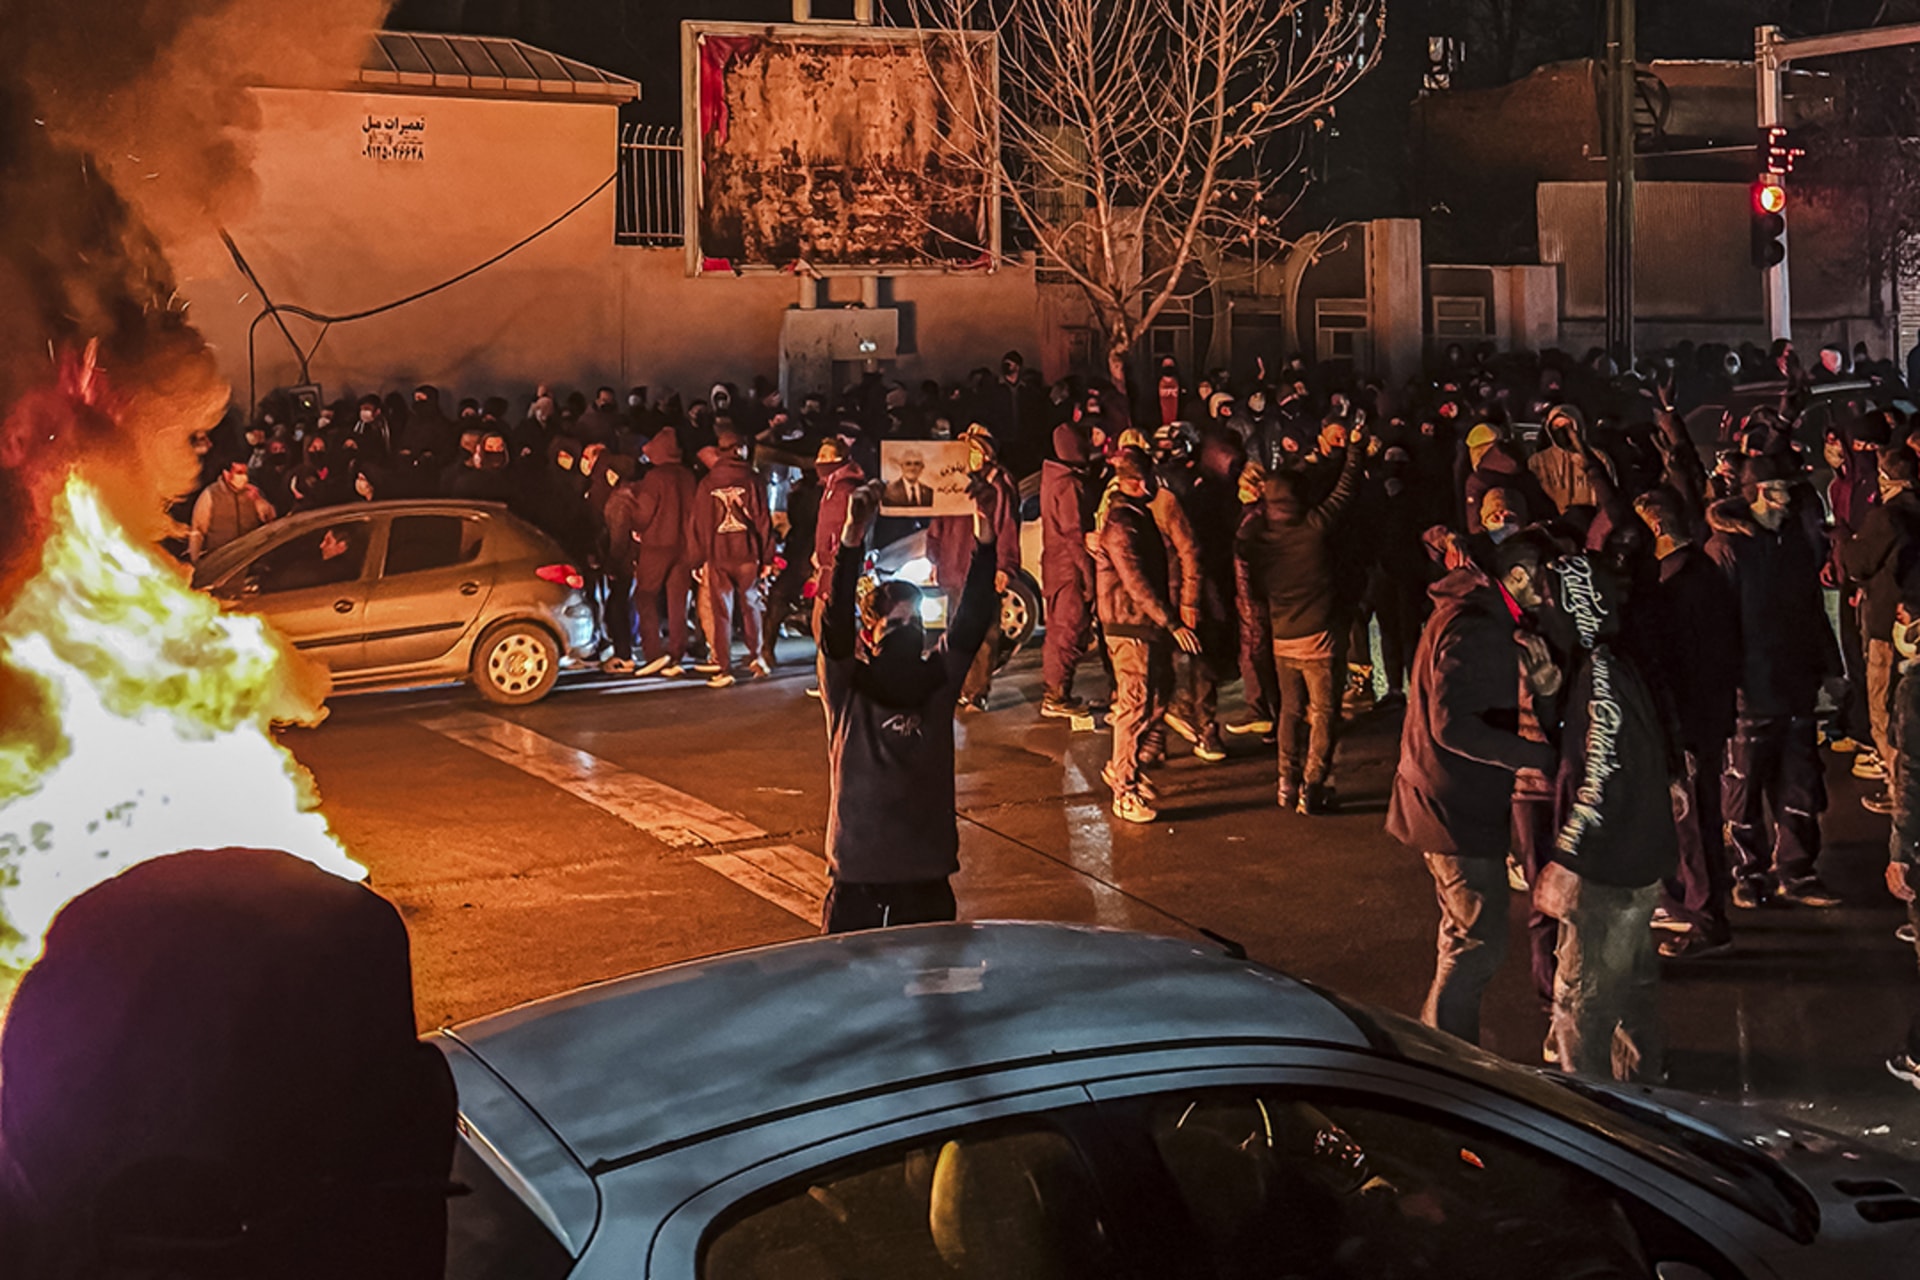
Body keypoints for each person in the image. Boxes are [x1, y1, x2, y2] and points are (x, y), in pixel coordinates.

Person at [1388, 529, 1561, 1046]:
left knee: (1463, 934)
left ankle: (1436, 1048)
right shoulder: (1479, 627)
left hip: (1441, 799)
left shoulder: (1469, 612)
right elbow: (1453, 726)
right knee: (1476, 942)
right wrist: (1538, 758)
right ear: (1518, 577)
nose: (1551, 591)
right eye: (1545, 578)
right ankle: (1446, 1059)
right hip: (1452, 807)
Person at [816, 480, 1000, 932]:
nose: (906, 630)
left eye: (914, 621)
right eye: (894, 623)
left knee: (935, 993)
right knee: (850, 993)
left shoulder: (937, 681)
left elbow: (973, 614)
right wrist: (852, 536)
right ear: (869, 636)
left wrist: (986, 529)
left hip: (925, 871)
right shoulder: (847, 686)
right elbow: (834, 622)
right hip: (858, 872)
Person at [1536, 552, 1679, 1081]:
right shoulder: (1613, 663)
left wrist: (1567, 858)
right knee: (1635, 987)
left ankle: (1590, 1117)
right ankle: (1642, 1094)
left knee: (1583, 1003)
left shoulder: (1599, 675)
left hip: (1605, 869)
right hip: (1637, 860)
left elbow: (1599, 771)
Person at [1707, 455, 1844, 908]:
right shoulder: (1728, 549)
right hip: (1751, 692)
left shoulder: (1793, 543)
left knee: (1802, 784)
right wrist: (1727, 687)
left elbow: (1809, 611)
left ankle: (1798, 871)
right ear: (1762, 492)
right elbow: (1718, 626)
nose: (1792, 501)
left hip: (1795, 686)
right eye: (1783, 490)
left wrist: (1830, 670)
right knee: (1743, 790)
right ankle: (1749, 872)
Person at [1632, 486, 1741, 961]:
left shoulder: (1681, 584)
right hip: (1700, 720)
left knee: (1695, 820)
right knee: (1690, 818)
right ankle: (1690, 901)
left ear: (1656, 528)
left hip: (1692, 724)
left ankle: (1705, 917)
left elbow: (1692, 664)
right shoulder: (1699, 573)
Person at [1235, 417, 1366, 813]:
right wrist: (1356, 450)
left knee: (1290, 712)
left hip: (1282, 637)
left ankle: (1285, 784)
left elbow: (1250, 577)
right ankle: (1313, 784)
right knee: (1324, 713)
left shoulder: (1258, 541)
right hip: (1320, 638)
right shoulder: (1313, 528)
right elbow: (1344, 491)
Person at [1096, 447, 1202, 823]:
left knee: (1154, 699)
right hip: (1131, 627)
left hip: (1142, 625)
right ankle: (1123, 789)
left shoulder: (1133, 517)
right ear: (1138, 482)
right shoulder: (1123, 524)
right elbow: (1135, 582)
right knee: (1135, 704)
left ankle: (1125, 769)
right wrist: (1171, 621)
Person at [1844, 446, 1920, 814]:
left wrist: (1845, 543)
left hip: (1889, 628)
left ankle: (1899, 793)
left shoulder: (1887, 518)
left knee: (1886, 713)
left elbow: (1858, 564)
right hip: (1912, 625)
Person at [925, 426, 1020, 711]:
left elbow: (1008, 526)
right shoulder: (951, 482)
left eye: (975, 451)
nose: (970, 456)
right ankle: (957, 685)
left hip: (981, 568)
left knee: (985, 632)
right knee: (955, 630)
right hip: (953, 566)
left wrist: (1006, 565)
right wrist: (934, 558)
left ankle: (977, 691)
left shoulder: (998, 484)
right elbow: (936, 523)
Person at [688, 425, 773, 688]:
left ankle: (723, 667)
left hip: (718, 555)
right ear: (741, 449)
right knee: (751, 606)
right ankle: (756, 656)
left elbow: (698, 524)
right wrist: (768, 556)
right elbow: (762, 521)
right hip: (747, 554)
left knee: (721, 611)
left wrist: (697, 558)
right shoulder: (753, 480)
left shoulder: (708, 483)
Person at [1039, 422, 1099, 717]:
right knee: (1068, 630)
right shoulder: (1070, 485)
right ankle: (1057, 695)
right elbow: (1075, 534)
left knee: (1058, 630)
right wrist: (1088, 577)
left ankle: (1057, 690)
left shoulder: (1053, 478)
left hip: (1054, 565)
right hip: (1068, 568)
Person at [188, 454, 277, 563]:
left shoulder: (252, 493)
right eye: (239, 472)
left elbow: (270, 519)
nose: (244, 477)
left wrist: (259, 500)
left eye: (245, 472)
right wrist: (195, 560)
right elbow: (198, 531)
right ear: (226, 474)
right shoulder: (211, 495)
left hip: (248, 560)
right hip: (220, 561)